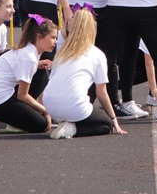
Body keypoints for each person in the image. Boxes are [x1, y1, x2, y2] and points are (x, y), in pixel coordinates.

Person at [43, 9, 126, 139]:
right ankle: (73, 129)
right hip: (74, 106)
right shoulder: (97, 54)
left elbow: (51, 79)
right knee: (106, 125)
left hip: (50, 105)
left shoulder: (62, 52)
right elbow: (101, 93)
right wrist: (113, 118)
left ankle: (67, 122)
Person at [0, 16, 57, 133]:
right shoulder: (29, 57)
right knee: (42, 125)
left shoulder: (30, 52)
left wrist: (37, 64)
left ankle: (15, 119)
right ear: (39, 37)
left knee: (42, 74)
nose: (55, 42)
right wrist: (46, 111)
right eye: (53, 38)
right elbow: (22, 95)